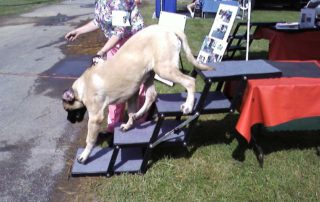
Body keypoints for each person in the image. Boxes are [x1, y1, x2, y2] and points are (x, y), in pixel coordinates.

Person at [65, 0, 145, 133]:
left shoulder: (118, 2)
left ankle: (140, 125)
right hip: (114, 46)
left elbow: (120, 32)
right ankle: (114, 126)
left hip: (132, 45)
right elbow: (98, 21)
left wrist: (101, 52)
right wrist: (79, 31)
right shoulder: (100, 1)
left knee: (137, 85)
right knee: (112, 86)